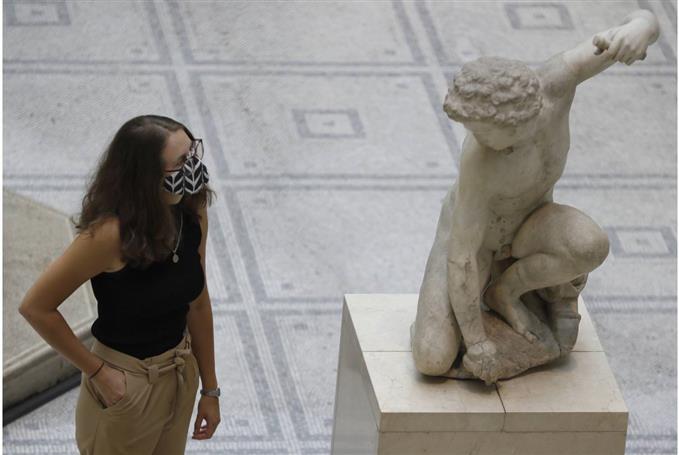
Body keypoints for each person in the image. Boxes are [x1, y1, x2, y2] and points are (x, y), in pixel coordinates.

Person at [411, 9, 660, 384]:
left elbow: (636, 24)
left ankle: (507, 292)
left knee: (590, 245)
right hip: (478, 244)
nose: (475, 139)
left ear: (514, 121)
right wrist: (477, 343)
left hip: (533, 223)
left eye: (483, 131)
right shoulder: (479, 160)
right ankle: (516, 297)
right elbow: (462, 255)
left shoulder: (555, 84)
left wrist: (642, 27)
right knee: (432, 358)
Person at [18, 115, 221, 454]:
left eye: (193, 153)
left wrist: (210, 390)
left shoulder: (192, 207)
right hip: (126, 383)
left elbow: (197, 302)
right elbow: (36, 307)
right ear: (146, 176)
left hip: (179, 372)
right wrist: (99, 373)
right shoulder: (110, 235)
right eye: (181, 162)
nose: (192, 167)